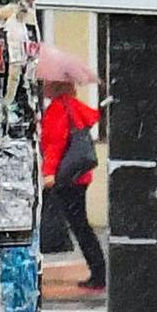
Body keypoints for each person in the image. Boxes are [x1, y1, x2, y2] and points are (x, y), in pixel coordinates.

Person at [36, 75, 106, 291]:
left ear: (55, 85)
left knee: (79, 225)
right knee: (80, 225)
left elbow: (55, 145)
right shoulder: (74, 107)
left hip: (65, 177)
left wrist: (48, 173)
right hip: (79, 176)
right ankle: (98, 270)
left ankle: (99, 272)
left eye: (48, 83)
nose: (45, 86)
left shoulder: (58, 109)